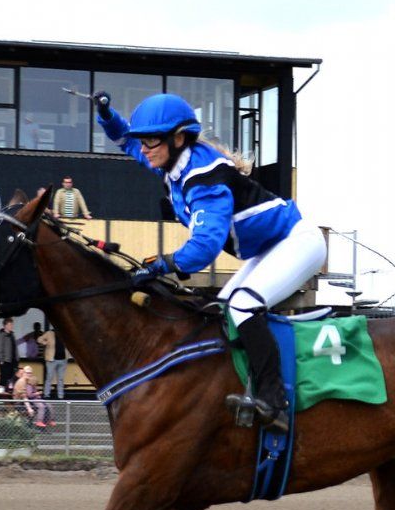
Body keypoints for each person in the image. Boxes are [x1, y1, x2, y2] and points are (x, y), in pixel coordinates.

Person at [96, 91, 325, 431]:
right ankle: (245, 388)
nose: (144, 149)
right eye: (143, 141)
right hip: (270, 247)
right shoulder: (172, 158)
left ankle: (275, 402)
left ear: (177, 139)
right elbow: (128, 144)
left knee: (243, 307)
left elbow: (205, 246)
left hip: (298, 243)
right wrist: (106, 115)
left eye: (150, 141)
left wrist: (161, 264)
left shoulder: (204, 181)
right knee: (222, 311)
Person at [38, 326, 68, 399]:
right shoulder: (50, 333)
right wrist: (45, 342)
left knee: (60, 379)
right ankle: (46, 395)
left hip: (63, 359)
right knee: (49, 378)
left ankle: (60, 396)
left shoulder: (65, 333)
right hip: (52, 360)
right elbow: (39, 339)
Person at [0, 318, 18, 390]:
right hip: (4, 360)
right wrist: (0, 360)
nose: (11, 326)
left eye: (12, 324)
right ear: (5, 326)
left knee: (11, 378)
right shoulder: (1, 335)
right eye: (9, 324)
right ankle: (0, 395)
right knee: (3, 377)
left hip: (12, 360)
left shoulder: (12, 335)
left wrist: (17, 358)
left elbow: (15, 348)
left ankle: (8, 394)